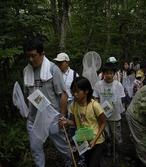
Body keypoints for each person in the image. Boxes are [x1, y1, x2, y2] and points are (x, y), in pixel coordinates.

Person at [22, 37, 71, 167]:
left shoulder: (53, 70)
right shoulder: (26, 71)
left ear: (42, 53)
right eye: (28, 56)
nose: (31, 59)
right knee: (35, 148)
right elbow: (27, 94)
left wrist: (62, 116)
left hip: (52, 118)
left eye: (33, 56)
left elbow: (63, 95)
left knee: (62, 146)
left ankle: (70, 162)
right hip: (34, 118)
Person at [59, 76, 106, 167]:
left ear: (86, 91)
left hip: (97, 141)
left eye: (77, 91)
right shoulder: (73, 106)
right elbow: (74, 123)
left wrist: (94, 140)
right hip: (84, 140)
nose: (74, 94)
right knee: (88, 163)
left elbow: (103, 123)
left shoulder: (94, 105)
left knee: (93, 164)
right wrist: (66, 122)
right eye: (73, 92)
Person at [93, 62, 125, 159]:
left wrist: (120, 110)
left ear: (114, 73)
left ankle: (116, 152)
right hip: (103, 115)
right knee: (105, 135)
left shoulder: (118, 85)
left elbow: (122, 99)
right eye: (106, 73)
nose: (109, 75)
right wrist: (97, 112)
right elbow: (96, 99)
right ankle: (107, 150)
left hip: (115, 115)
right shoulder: (98, 85)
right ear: (103, 74)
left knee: (116, 136)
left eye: (111, 73)